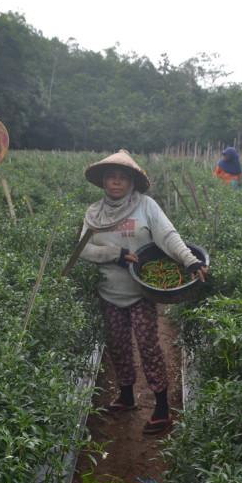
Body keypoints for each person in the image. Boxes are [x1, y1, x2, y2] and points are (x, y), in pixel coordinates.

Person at [79, 150, 209, 434]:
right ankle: (126, 396)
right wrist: (117, 253)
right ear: (103, 181)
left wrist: (189, 260)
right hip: (108, 291)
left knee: (149, 347)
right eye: (110, 177)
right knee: (117, 345)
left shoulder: (146, 206)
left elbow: (168, 236)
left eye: (122, 178)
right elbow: (83, 249)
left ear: (132, 182)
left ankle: (161, 407)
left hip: (141, 292)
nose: (116, 182)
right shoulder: (93, 213)